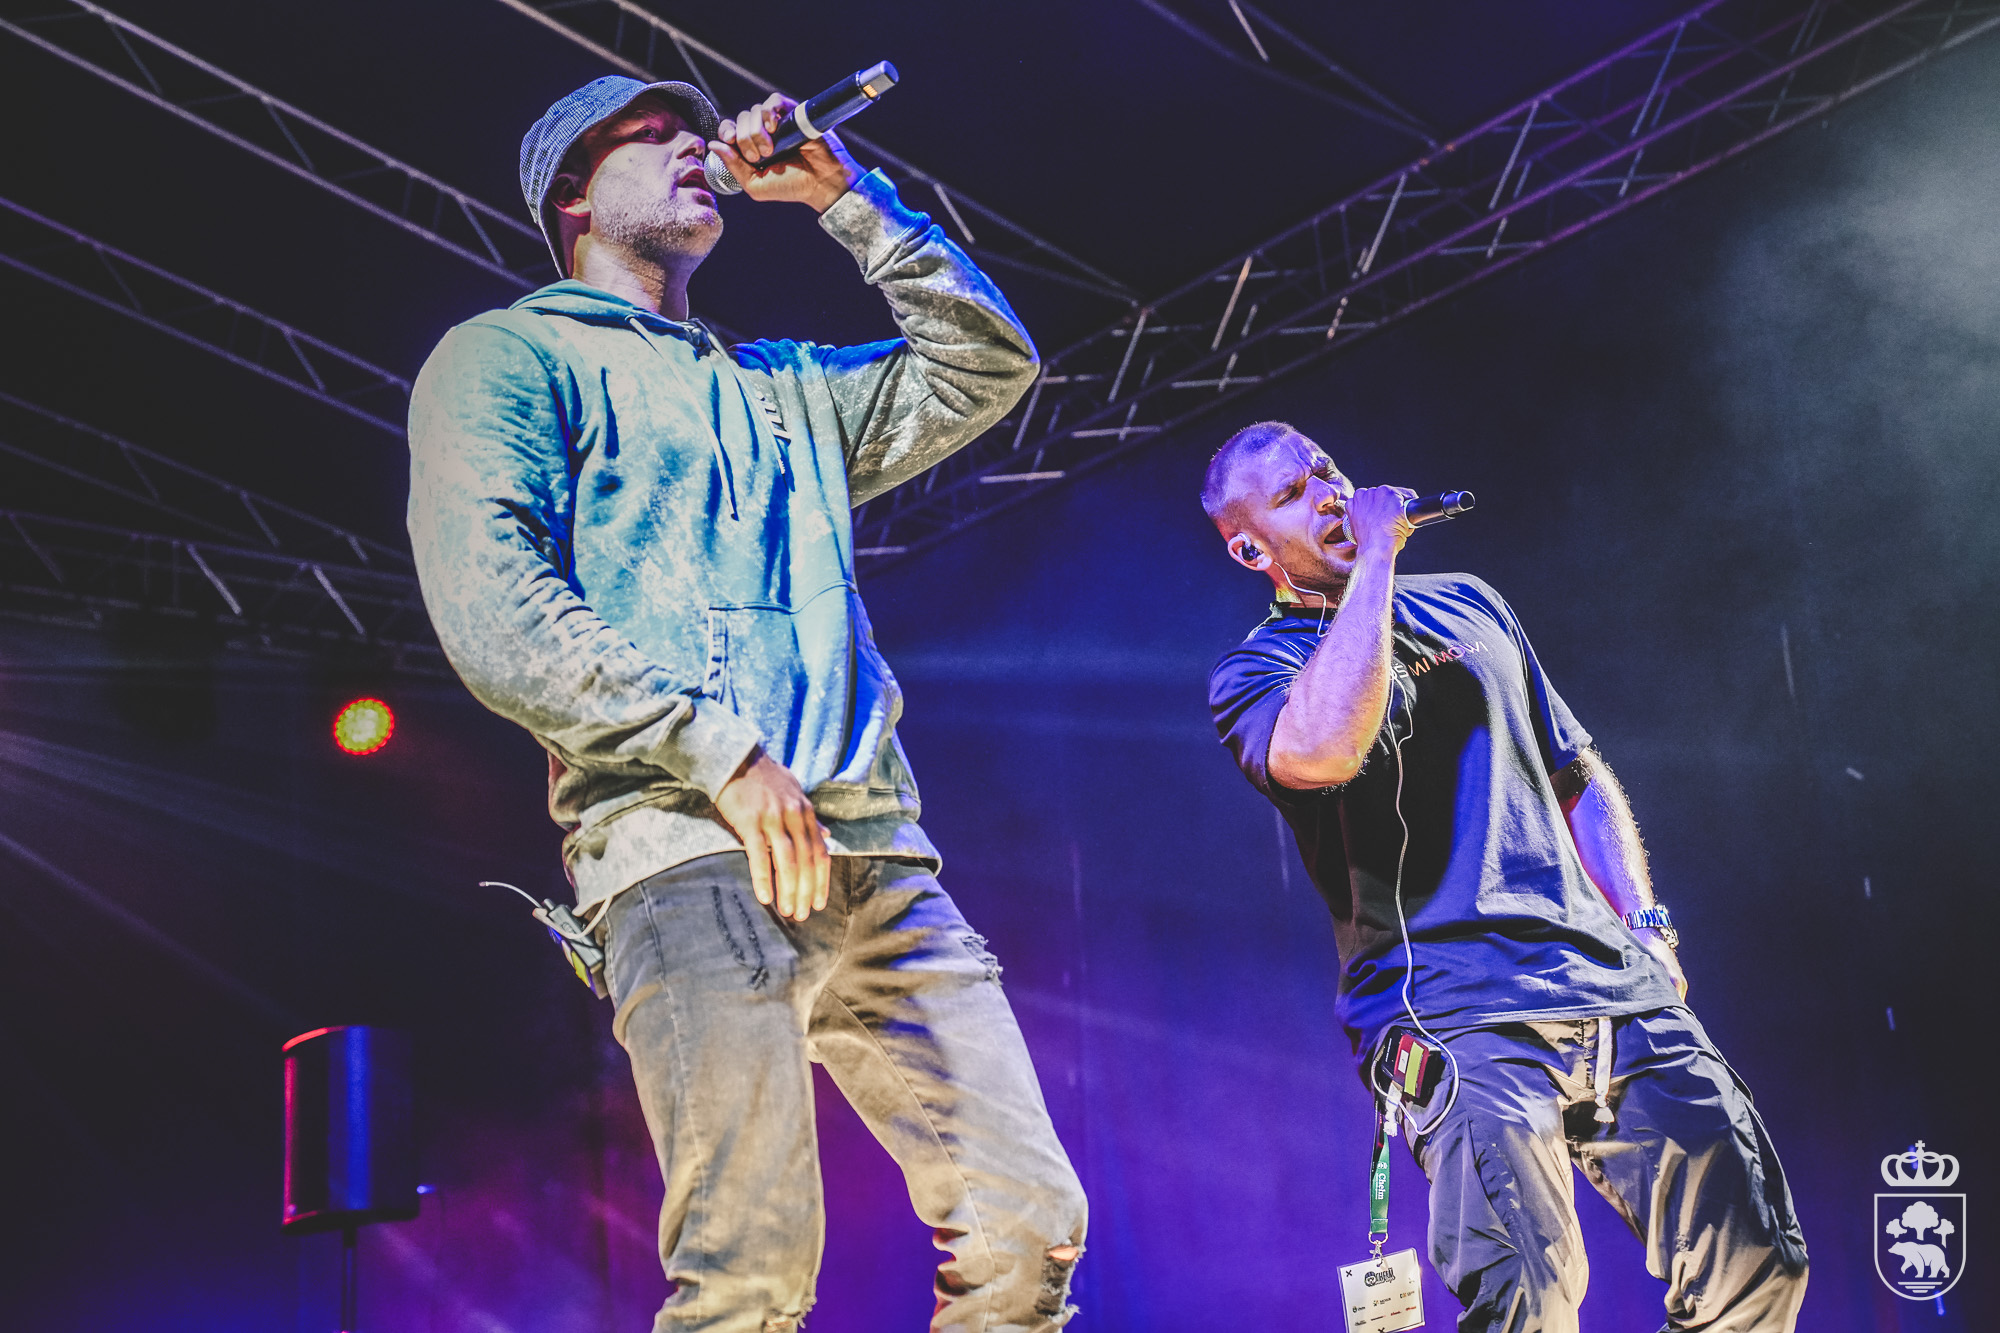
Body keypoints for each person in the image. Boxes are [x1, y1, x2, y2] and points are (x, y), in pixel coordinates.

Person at [406, 75, 1085, 1333]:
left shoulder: (783, 388)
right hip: (683, 849)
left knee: (1026, 1223)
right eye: (648, 135)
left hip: (872, 850)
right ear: (571, 196)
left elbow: (988, 364)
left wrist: (846, 198)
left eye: (691, 131)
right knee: (750, 1274)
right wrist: (716, 751)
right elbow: (494, 604)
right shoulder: (508, 356)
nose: (688, 145)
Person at [1202, 421, 1807, 1332]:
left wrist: (1647, 921)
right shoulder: (1258, 668)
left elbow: (1578, 773)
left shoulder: (1470, 601)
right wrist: (1375, 562)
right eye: (1292, 494)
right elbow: (1322, 751)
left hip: (1613, 981)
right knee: (1529, 1295)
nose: (1328, 493)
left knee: (1757, 1258)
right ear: (1252, 549)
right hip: (1454, 1010)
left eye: (1326, 470)